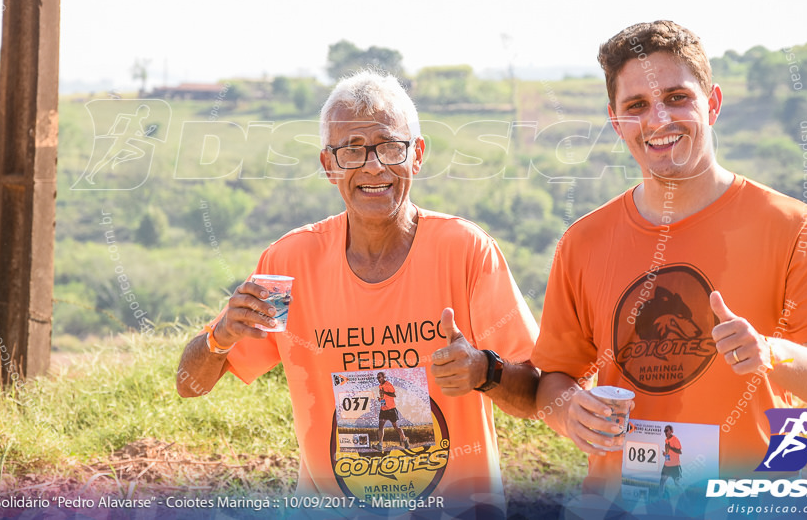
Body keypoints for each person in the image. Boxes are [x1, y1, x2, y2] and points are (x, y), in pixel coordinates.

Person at [533, 20, 807, 499]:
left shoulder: (791, 227)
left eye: (676, 98)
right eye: (637, 106)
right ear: (616, 122)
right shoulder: (583, 242)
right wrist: (570, 412)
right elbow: (552, 380)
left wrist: (770, 352)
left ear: (712, 104)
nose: (657, 120)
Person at [177, 70, 540, 517]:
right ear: (329, 165)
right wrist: (221, 337)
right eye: (352, 150)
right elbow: (189, 385)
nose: (373, 166)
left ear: (417, 156)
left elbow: (538, 394)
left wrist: (485, 371)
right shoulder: (289, 264)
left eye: (390, 146)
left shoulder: (466, 251)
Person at [375, 371, 411, 451]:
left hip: (391, 409)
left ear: (384, 377)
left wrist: (384, 392)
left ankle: (405, 440)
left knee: (396, 427)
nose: (378, 379)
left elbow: (393, 395)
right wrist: (380, 400)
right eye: (377, 377)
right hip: (383, 409)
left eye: (379, 377)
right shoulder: (380, 386)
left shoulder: (388, 385)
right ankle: (380, 445)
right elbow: (384, 397)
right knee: (380, 426)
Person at [657, 425, 682, 498]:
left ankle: (684, 499)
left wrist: (670, 447)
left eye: (667, 430)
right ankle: (660, 498)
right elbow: (668, 453)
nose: (665, 432)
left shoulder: (675, 440)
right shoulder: (666, 441)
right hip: (667, 466)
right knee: (662, 482)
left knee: (677, 484)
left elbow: (679, 451)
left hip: (675, 466)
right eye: (664, 431)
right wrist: (665, 454)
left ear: (671, 431)